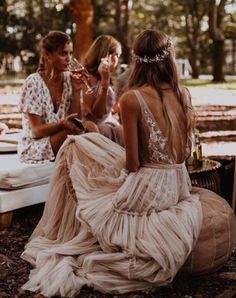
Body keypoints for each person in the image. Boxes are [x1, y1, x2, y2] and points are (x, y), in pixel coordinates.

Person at [21, 30, 236, 297]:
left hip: (149, 188)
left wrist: (110, 166)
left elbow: (133, 164)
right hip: (178, 182)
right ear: (168, 58)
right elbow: (183, 153)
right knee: (92, 145)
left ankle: (60, 227)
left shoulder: (132, 98)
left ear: (137, 60)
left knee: (77, 147)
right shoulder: (184, 93)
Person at [18, 30, 98, 164]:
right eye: (63, 53)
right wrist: (62, 123)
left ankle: (96, 168)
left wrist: (77, 90)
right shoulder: (33, 83)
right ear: (47, 55)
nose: (69, 58)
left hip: (62, 137)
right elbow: (36, 131)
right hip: (36, 145)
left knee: (91, 126)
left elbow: (76, 119)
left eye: (70, 53)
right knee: (72, 132)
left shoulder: (69, 79)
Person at [82, 34, 124, 145]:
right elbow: (97, 113)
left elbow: (107, 110)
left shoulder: (106, 76)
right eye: (117, 55)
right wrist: (104, 81)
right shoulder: (86, 78)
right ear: (106, 55)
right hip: (95, 129)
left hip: (110, 123)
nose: (118, 60)